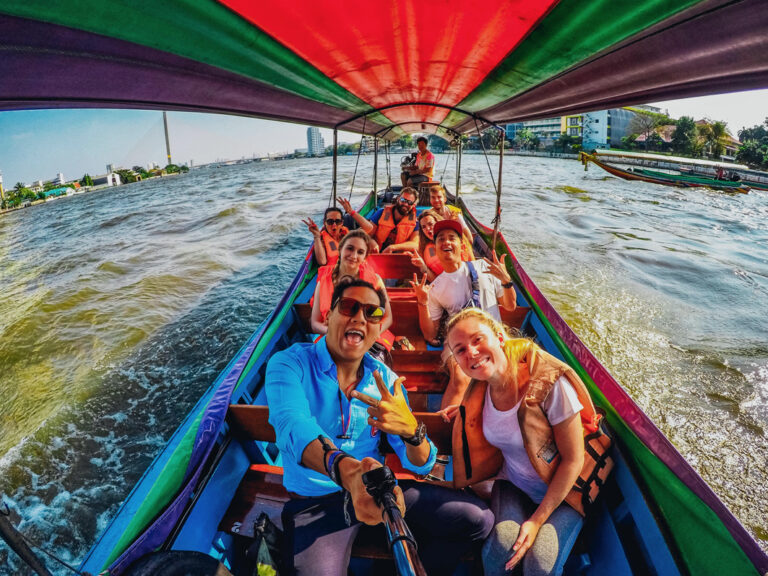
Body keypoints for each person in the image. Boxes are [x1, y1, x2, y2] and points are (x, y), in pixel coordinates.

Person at [266, 279, 494, 575]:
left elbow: (422, 466)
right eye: (349, 306)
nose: (360, 317)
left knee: (478, 520)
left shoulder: (384, 379)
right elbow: (293, 425)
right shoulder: (290, 363)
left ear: (377, 328)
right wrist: (349, 474)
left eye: (372, 313)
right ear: (328, 316)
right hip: (317, 502)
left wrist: (413, 432)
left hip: (380, 491)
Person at [445, 308, 612, 576]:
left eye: (478, 340)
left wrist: (536, 521)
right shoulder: (481, 388)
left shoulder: (549, 384)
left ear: (499, 337)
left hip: (565, 493)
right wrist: (463, 415)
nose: (472, 353)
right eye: (460, 349)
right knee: (501, 550)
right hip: (514, 483)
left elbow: (573, 460)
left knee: (540, 564)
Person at [411, 219, 517, 407]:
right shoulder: (435, 287)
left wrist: (506, 281)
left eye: (452, 238)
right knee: (461, 377)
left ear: (461, 245)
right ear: (435, 248)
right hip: (460, 344)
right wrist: (422, 302)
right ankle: (444, 431)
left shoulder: (485, 268)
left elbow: (510, 306)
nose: (446, 242)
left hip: (495, 338)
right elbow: (430, 334)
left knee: (514, 374)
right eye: (441, 239)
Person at [310, 230, 393, 351]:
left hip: (367, 338)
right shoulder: (323, 282)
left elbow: (388, 317)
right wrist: (338, 334)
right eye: (350, 248)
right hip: (333, 338)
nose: (354, 256)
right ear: (340, 250)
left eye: (360, 252)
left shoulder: (375, 280)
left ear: (365, 257)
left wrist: (368, 334)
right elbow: (315, 323)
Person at [338, 188, 419, 253]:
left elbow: (415, 244)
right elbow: (368, 233)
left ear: (413, 205)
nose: (405, 204)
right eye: (403, 200)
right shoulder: (381, 213)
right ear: (398, 199)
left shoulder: (415, 222)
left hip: (398, 257)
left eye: (409, 202)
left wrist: (393, 247)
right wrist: (372, 242)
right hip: (378, 253)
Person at [403, 208, 444, 281]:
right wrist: (422, 265)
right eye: (423, 227)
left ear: (438, 222)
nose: (428, 229)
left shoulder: (453, 243)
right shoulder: (428, 249)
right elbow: (434, 280)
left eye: (430, 224)